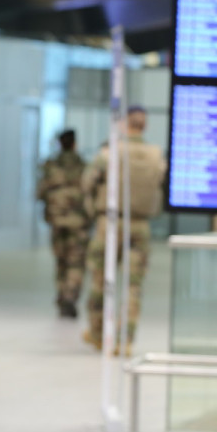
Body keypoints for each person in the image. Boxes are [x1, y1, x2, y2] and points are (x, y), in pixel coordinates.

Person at [82, 106, 165, 354]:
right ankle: (125, 340)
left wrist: (93, 213)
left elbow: (87, 184)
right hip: (140, 225)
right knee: (134, 284)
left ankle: (97, 333)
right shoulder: (156, 156)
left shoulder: (108, 154)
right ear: (145, 126)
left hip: (108, 224)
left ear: (122, 124)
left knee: (100, 279)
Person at [36, 129, 88, 318]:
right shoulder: (83, 166)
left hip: (57, 221)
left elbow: (40, 193)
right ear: (75, 143)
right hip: (79, 223)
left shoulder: (51, 166)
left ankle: (61, 295)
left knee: (61, 261)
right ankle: (71, 296)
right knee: (76, 262)